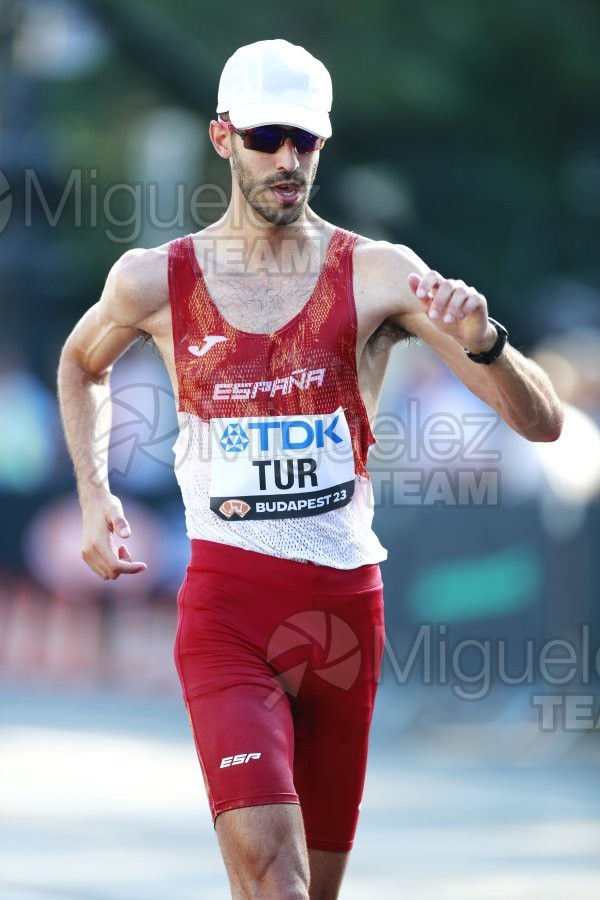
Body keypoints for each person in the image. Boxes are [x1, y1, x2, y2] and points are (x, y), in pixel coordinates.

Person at [57, 38, 563, 900]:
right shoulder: (154, 281)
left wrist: (487, 342)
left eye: (308, 141)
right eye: (267, 139)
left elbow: (542, 420)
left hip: (342, 620)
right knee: (276, 882)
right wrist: (94, 492)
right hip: (228, 612)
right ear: (222, 138)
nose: (288, 161)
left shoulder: (380, 275)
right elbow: (80, 363)